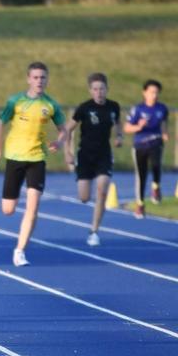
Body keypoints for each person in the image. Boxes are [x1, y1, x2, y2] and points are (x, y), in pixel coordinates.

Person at [0, 61, 67, 267]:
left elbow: (63, 129)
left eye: (43, 77)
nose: (39, 81)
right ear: (28, 79)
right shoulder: (16, 101)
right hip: (14, 157)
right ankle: (14, 202)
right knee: (8, 209)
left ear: (47, 80)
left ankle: (20, 250)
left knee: (32, 207)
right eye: (36, 77)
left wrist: (59, 142)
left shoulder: (50, 105)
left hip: (37, 159)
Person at [64, 72, 122, 245]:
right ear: (90, 91)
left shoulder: (114, 107)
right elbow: (68, 130)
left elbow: (118, 123)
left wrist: (119, 136)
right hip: (85, 155)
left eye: (102, 89)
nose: (99, 92)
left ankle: (94, 231)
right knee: (84, 197)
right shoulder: (84, 108)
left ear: (107, 89)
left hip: (104, 154)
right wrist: (67, 152)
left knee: (102, 190)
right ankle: (84, 193)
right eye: (95, 89)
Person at [123, 79, 169, 219]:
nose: (154, 95)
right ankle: (140, 203)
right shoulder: (138, 109)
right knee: (141, 175)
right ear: (145, 93)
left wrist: (165, 133)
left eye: (156, 92)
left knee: (156, 165)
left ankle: (156, 187)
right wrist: (139, 126)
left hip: (156, 142)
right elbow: (126, 128)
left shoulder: (162, 109)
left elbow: (164, 124)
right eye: (151, 92)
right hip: (140, 145)